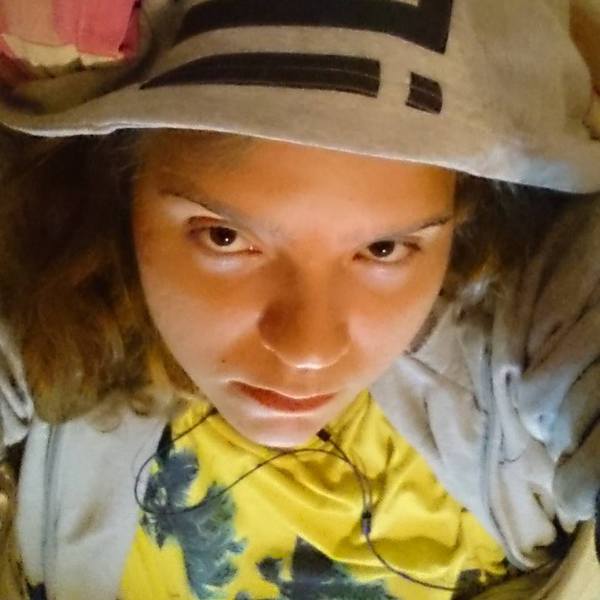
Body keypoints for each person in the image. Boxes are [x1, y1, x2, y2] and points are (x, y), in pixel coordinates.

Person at [0, 1, 599, 599]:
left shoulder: (539, 300)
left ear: (464, 210)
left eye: (384, 248)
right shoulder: (57, 281)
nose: (308, 350)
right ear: (121, 184)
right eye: (224, 237)